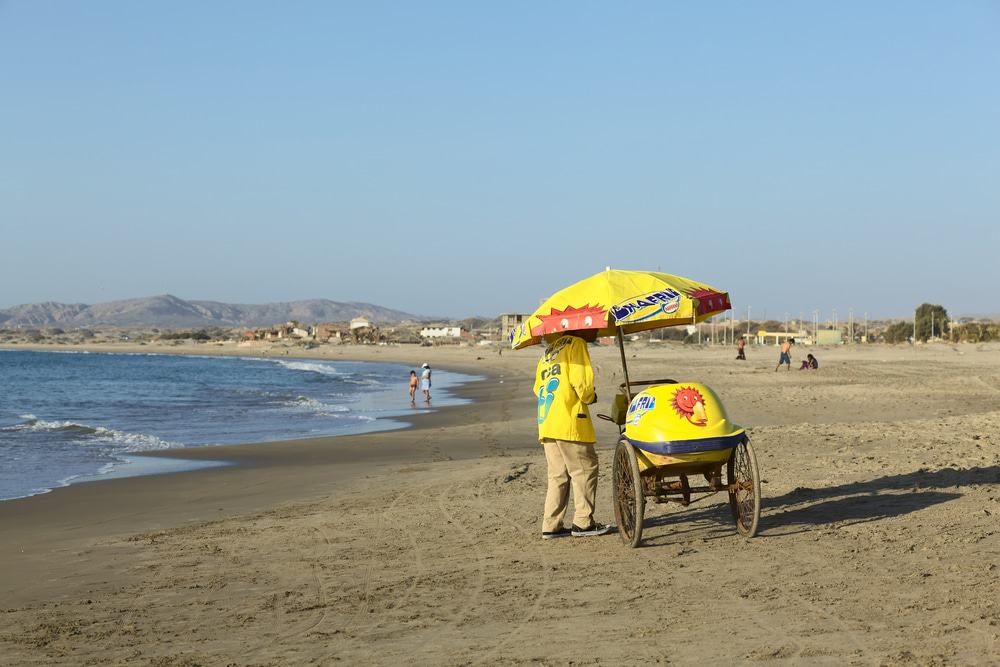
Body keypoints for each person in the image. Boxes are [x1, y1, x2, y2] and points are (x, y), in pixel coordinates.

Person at [535, 332, 612, 539]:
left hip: (547, 420)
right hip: (569, 419)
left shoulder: (548, 352)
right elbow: (582, 383)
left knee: (557, 475)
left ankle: (551, 525)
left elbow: (537, 388)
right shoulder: (575, 343)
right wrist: (590, 396)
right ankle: (583, 523)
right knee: (584, 470)